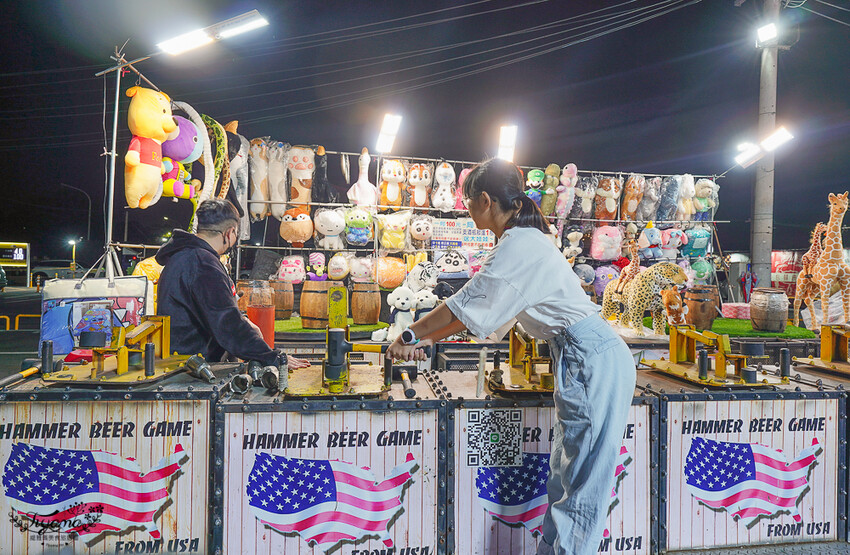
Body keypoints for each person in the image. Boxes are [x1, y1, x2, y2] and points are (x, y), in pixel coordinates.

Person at [387, 159, 635, 555]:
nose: (465, 209)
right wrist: (419, 339)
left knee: (581, 491)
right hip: (581, 355)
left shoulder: (519, 245)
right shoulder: (521, 240)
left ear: (485, 200)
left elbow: (460, 308)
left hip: (589, 357)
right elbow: (470, 312)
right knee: (564, 480)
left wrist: (410, 334)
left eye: (468, 201)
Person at [156, 199, 309, 370]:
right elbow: (228, 326)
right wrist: (273, 357)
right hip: (191, 367)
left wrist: (242, 319)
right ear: (230, 233)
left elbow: (211, 311)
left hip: (178, 360)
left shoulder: (183, 256)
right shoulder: (203, 264)